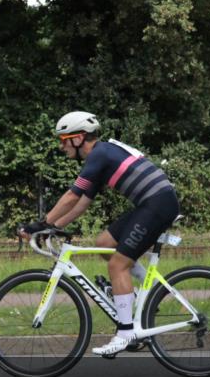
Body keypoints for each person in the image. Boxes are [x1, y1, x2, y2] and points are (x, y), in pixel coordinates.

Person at [20, 111, 180, 357]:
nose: (61, 146)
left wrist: (40, 224)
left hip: (157, 204)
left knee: (117, 265)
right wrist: (53, 227)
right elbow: (81, 204)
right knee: (105, 243)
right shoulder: (101, 157)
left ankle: (125, 334)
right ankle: (142, 295)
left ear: (78, 138)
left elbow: (71, 196)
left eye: (63, 140)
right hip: (153, 203)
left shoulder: (99, 154)